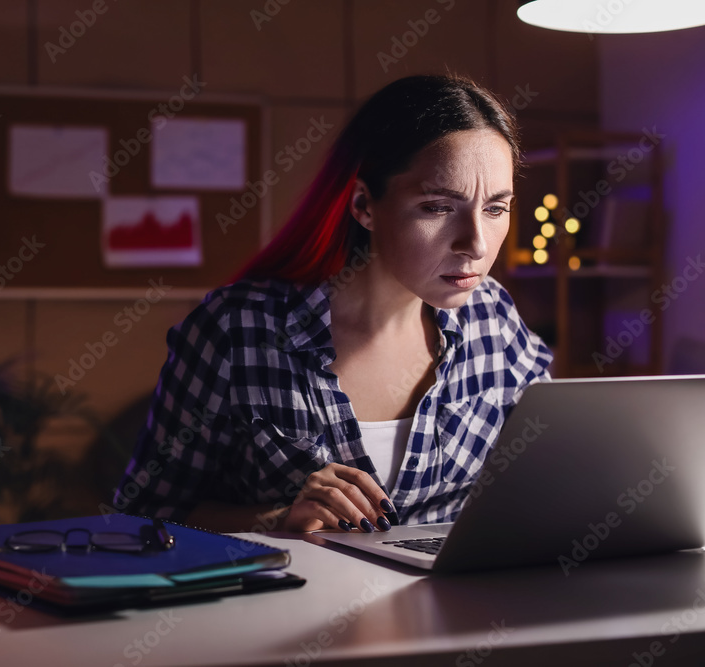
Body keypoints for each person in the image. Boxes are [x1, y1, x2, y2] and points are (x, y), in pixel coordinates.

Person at [111, 74, 553, 534]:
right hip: (293, 603)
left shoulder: (493, 319)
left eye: (496, 209)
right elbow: (141, 513)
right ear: (364, 204)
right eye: (438, 208)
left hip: (459, 602)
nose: (476, 244)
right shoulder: (236, 329)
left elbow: (555, 475)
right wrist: (277, 518)